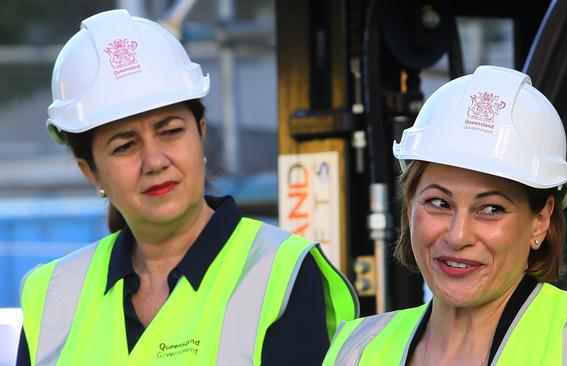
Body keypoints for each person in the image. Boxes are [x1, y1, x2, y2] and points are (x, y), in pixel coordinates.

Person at [17, 9, 358, 366]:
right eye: (125, 145)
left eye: (170, 131)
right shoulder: (53, 295)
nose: (155, 161)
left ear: (201, 133)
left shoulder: (280, 274)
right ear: (92, 173)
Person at [323, 65, 567, 365]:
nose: (458, 235)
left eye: (491, 209)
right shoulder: (357, 350)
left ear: (541, 220)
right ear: (409, 207)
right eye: (439, 203)